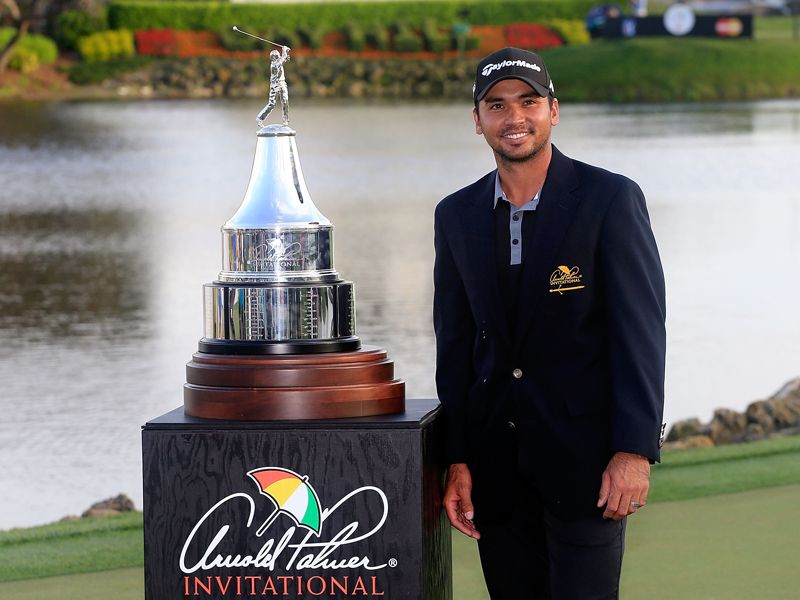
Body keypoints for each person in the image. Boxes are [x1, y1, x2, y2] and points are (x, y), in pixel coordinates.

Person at [433, 47, 666, 599]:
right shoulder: (455, 214)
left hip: (586, 468)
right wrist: (457, 457)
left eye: (528, 101)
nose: (514, 117)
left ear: (553, 111)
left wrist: (634, 451)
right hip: (497, 473)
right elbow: (456, 342)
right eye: (496, 105)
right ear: (478, 121)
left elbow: (640, 335)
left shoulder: (610, 199)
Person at [257, 45, 291, 126]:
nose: (279, 57)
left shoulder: (278, 62)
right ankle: (259, 118)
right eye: (278, 56)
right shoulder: (274, 64)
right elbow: (283, 59)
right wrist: (285, 50)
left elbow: (284, 60)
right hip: (275, 85)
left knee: (285, 101)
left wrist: (286, 56)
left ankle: (286, 120)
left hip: (282, 83)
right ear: (274, 58)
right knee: (272, 104)